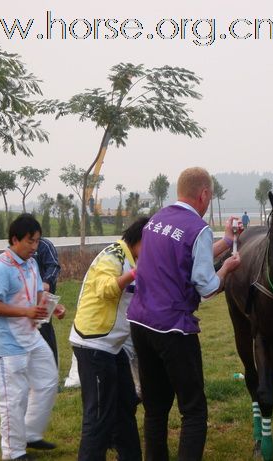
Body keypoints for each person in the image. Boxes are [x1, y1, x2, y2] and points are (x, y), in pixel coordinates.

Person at [128, 167, 241, 461]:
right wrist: (227, 269)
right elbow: (206, 286)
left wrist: (227, 241)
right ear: (204, 194)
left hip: (140, 321)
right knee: (193, 410)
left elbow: (188, 260)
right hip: (172, 328)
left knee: (155, 408)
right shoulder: (197, 228)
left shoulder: (156, 221)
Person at [0, 214, 65, 461]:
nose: (34, 247)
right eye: (30, 241)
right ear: (15, 239)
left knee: (49, 380)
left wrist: (51, 306)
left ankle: (30, 433)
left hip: (31, 335)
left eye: (38, 241)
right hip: (8, 345)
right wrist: (26, 311)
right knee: (13, 399)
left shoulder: (30, 263)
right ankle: (13, 452)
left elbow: (38, 291)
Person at [69, 217, 149, 461]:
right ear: (139, 239)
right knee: (99, 416)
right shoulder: (114, 255)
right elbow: (104, 288)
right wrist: (135, 273)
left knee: (125, 404)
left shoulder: (133, 258)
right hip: (94, 344)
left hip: (114, 347)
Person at [34, 237, 61, 365]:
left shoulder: (45, 245)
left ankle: (52, 368)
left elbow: (54, 266)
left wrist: (46, 282)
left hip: (45, 296)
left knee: (45, 331)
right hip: (26, 299)